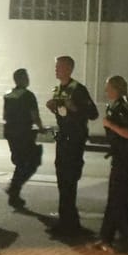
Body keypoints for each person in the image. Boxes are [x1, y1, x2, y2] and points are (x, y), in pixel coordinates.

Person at [45, 54, 100, 237]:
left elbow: (93, 113)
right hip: (63, 138)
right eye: (55, 67)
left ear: (68, 69)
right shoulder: (58, 89)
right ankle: (66, 219)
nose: (55, 70)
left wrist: (74, 107)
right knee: (62, 178)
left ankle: (69, 223)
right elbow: (61, 112)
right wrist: (53, 106)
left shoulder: (78, 89)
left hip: (74, 139)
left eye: (59, 67)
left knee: (69, 178)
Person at [97, 75, 128, 253]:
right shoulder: (113, 105)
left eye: (108, 88)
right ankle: (106, 237)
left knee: (120, 200)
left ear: (116, 89)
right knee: (113, 199)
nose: (106, 91)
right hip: (119, 156)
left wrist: (110, 125)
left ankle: (127, 242)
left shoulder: (123, 106)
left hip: (126, 158)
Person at [3, 69, 43, 206]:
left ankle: (14, 195)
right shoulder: (28, 95)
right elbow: (34, 115)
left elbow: (4, 115)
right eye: (26, 77)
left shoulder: (8, 95)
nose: (28, 79)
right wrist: (41, 127)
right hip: (23, 132)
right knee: (33, 162)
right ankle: (14, 188)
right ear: (22, 79)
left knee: (20, 162)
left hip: (10, 132)